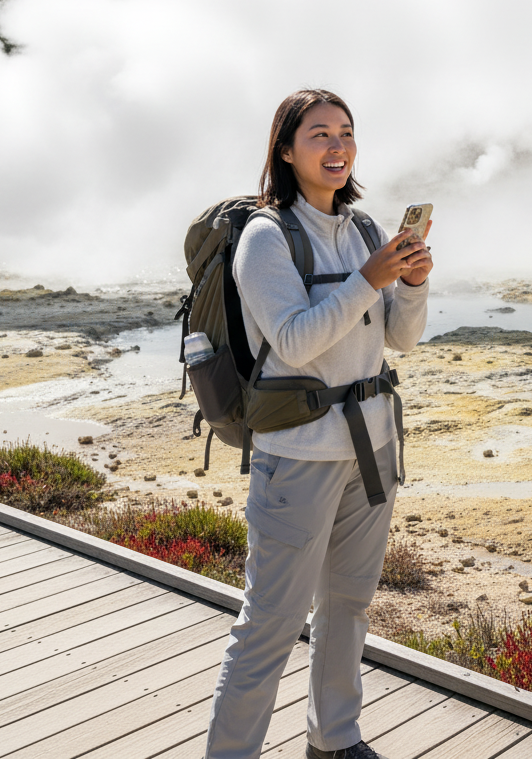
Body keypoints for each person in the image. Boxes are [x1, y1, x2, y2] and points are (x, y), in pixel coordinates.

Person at [204, 89, 431, 759]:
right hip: (297, 452)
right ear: (285, 150)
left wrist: (412, 284)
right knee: (270, 624)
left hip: (372, 447)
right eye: (319, 135)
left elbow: (400, 340)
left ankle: (333, 739)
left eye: (346, 133)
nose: (336, 147)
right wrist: (368, 279)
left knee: (348, 608)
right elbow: (297, 341)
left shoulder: (364, 229)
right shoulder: (265, 238)